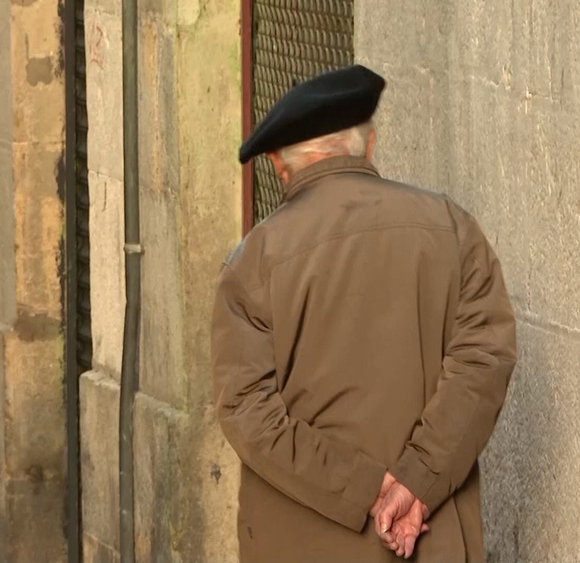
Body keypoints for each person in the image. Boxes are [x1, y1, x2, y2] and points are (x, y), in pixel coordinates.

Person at [211, 64, 517, 562]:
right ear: (368, 145)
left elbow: (248, 411)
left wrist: (366, 489)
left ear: (278, 165)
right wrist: (416, 481)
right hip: (428, 537)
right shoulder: (451, 229)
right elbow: (485, 360)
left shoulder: (253, 263)